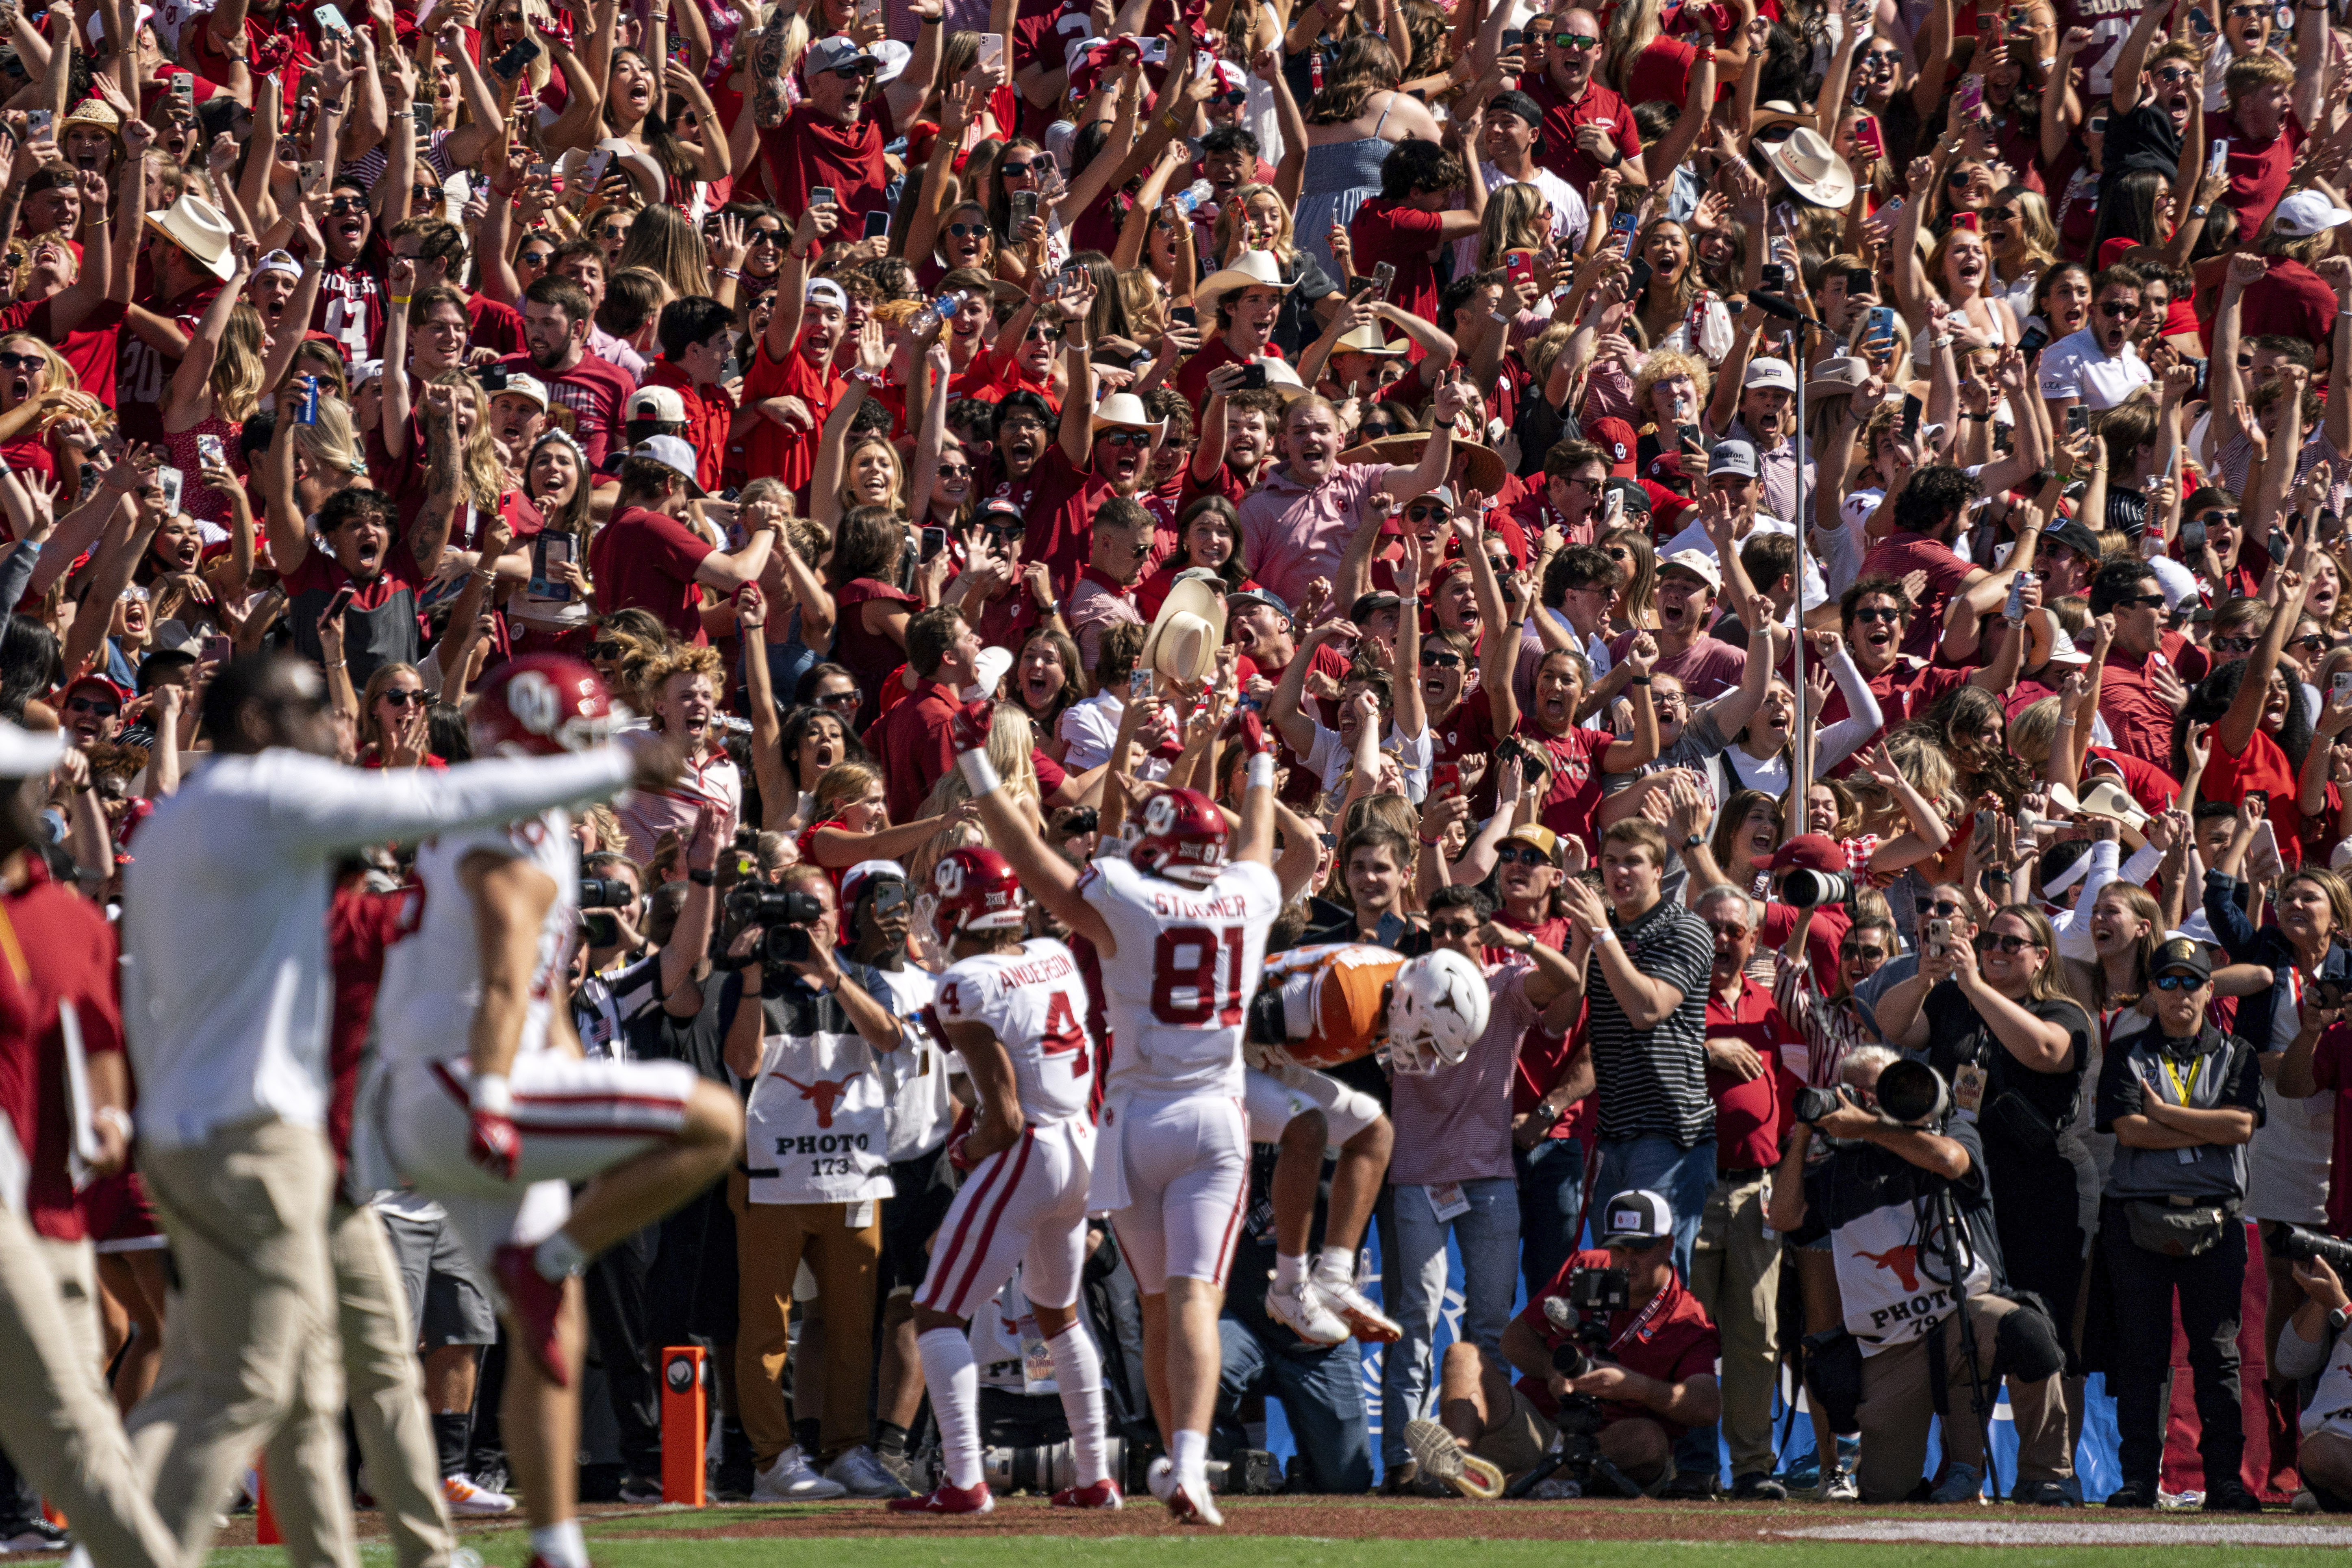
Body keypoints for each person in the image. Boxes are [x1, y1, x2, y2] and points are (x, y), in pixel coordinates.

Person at [118, 652, 682, 1568]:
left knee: (367, 1359)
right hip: (250, 1133)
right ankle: (118, 1552)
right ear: (257, 725)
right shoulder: (256, 798)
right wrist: (619, 764)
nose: (336, 728)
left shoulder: (184, 822)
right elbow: (436, 807)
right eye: (312, 709)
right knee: (242, 1383)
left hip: (252, 1136)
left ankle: (412, 1551)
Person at [363, 657, 747, 1568]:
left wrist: (563, 1082)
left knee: (552, 1325)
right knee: (712, 1125)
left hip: (468, 1081)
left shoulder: (531, 820)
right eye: (581, 739)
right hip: (462, 1083)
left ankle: (552, 1541)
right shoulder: (510, 824)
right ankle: (555, 1252)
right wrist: (499, 1098)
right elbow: (502, 970)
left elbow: (538, 1005)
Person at [951, 695, 1283, 1527]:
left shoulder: (1130, 900)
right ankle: (1190, 1463)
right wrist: (1262, 764)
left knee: (1161, 1308)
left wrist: (975, 763)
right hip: (1210, 1119)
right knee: (1195, 1299)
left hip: (1130, 1124)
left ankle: (1176, 1454)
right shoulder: (1248, 894)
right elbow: (1258, 843)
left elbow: (1027, 854)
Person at [888, 848, 1113, 1514]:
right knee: (1058, 1311)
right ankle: (1096, 1473)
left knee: (935, 1310)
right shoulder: (1053, 954)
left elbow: (1005, 1116)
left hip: (1031, 1147)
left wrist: (966, 1148)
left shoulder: (967, 983)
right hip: (1081, 1144)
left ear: (966, 907)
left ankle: (963, 1478)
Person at [1766, 1047, 2071, 1506]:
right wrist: (1809, 1128)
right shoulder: (1839, 1171)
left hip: (1964, 1316)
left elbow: (1950, 1162)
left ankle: (2045, 1475)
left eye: (1885, 1090)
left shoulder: (1952, 1129)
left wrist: (1871, 1126)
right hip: (1890, 1347)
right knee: (1884, 1491)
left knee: (2027, 1333)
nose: (1870, 1102)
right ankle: (1933, 1474)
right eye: (1858, 1094)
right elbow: (1785, 1215)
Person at [717, 856, 919, 1503]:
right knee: (766, 1328)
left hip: (851, 1179)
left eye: (819, 911)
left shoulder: (863, 977)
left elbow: (890, 1040)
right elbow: (742, 1061)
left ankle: (847, 1448)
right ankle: (773, 1459)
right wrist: (751, 977)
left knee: (852, 1323)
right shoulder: (753, 980)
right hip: (771, 1181)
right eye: (797, 910)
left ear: (838, 919)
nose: (808, 924)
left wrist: (831, 978)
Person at [1377, 888, 1583, 1489]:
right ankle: (1402, 1462)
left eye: (1460, 927)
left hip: (1490, 1175)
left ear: (1481, 930)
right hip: (1418, 1173)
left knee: (1489, 1325)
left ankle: (1478, 1458)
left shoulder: (1505, 984)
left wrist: (1516, 939)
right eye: (1437, 926)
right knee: (1413, 1322)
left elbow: (1568, 982)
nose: (1446, 936)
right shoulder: (1401, 984)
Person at [2094, 937, 2268, 1512]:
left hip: (2215, 1218)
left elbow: (2241, 1127)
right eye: (2165, 981)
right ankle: (2137, 1478)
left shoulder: (2238, 1051)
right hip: (2135, 1213)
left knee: (2216, 1353)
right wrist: (2206, 1127)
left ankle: (2224, 1481)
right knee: (2139, 1354)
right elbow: (2127, 1132)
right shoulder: (2125, 1053)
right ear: (2149, 990)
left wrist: (2164, 1113)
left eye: (2189, 981)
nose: (2178, 993)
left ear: (2208, 989)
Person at [1407, 1190, 1721, 1499]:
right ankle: (1459, 1464)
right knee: (1462, 1355)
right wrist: (1551, 1370)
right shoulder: (1586, 1268)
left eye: (1639, 1250)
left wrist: (1637, 1387)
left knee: (1648, 1440)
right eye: (1619, 1249)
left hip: (1611, 1449)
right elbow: (1514, 1339)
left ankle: (1520, 1482)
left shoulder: (1687, 1317)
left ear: (1668, 1246)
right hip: (1541, 1427)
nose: (1627, 1262)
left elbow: (1707, 1407)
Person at [1558, 817, 1715, 1275]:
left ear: (1659, 869)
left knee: (1657, 1278)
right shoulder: (1597, 929)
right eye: (1610, 862)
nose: (1619, 873)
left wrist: (1601, 934)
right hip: (1612, 1133)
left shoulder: (1685, 928)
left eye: (1633, 862)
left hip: (1671, 1133)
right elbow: (1564, 1016)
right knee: (1616, 1282)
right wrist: (1582, 942)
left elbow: (1647, 1009)